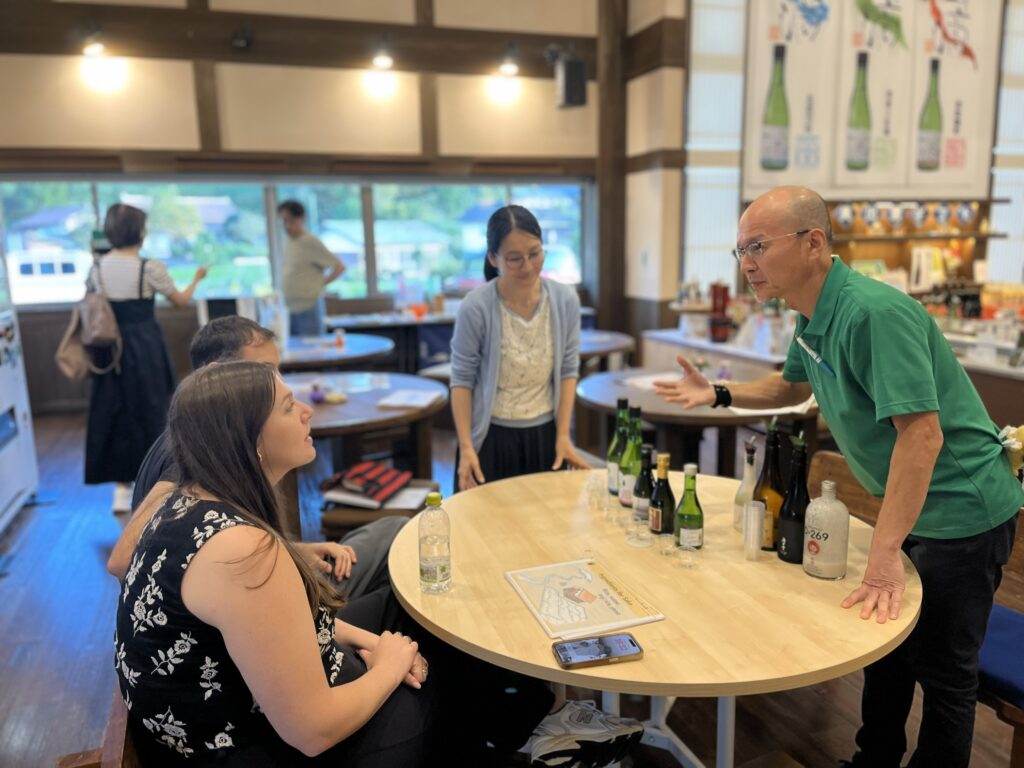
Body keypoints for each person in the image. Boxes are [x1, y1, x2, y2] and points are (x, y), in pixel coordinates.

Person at [653, 185, 1022, 768]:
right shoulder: (809, 313)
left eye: (756, 246)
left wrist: (883, 550)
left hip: (962, 508)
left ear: (813, 243)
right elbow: (790, 387)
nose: (746, 262)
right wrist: (719, 392)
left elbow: (921, 437)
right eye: (739, 250)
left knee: (945, 672)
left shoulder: (873, 313)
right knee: (886, 652)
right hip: (912, 503)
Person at [115, 361, 643, 766]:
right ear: (249, 440)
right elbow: (311, 730)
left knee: (411, 606)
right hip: (258, 750)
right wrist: (389, 665)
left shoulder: (186, 500)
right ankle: (512, 734)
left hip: (231, 713)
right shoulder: (244, 553)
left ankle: (526, 718)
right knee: (432, 678)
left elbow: (277, 630)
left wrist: (367, 642)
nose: (307, 412)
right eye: (287, 406)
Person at [107, 315, 404, 601]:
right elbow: (123, 560)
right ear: (216, 375)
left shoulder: (205, 440)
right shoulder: (190, 457)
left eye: (276, 370)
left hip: (254, 598)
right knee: (395, 538)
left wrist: (290, 551)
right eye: (263, 369)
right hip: (248, 615)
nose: (274, 380)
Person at [449, 205, 588, 492]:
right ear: (493, 258)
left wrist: (564, 435)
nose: (527, 266)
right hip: (490, 439)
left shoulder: (564, 300)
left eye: (535, 253)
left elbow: (568, 370)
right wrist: (466, 448)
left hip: (546, 436)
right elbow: (462, 380)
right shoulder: (476, 306)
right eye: (514, 259)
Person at [84, 203, 207, 512]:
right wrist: (197, 278)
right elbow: (180, 301)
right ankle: (160, 483)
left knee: (112, 411)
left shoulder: (96, 268)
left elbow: (90, 302)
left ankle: (121, 490)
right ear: (139, 232)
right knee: (152, 410)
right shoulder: (149, 267)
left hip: (109, 349)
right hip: (145, 346)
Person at [278, 200, 345, 337]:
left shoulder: (309, 241)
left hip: (308, 307)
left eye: (289, 220)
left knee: (312, 352)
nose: (286, 226)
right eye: (283, 221)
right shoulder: (288, 240)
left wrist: (319, 284)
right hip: (289, 307)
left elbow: (339, 266)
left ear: (301, 219)